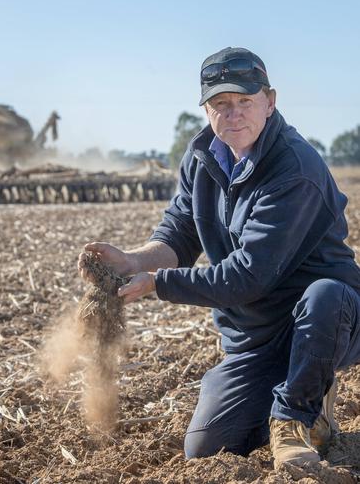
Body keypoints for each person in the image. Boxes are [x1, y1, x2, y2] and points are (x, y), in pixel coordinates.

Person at [78, 47, 360, 469]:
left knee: (324, 296)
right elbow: (181, 231)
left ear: (270, 101)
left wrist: (158, 284)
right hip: (255, 337)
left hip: (327, 322)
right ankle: (299, 386)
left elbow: (248, 276)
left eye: (245, 101)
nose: (233, 115)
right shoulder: (202, 158)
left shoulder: (294, 168)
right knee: (207, 447)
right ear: (207, 109)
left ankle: (296, 415)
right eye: (220, 104)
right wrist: (134, 261)